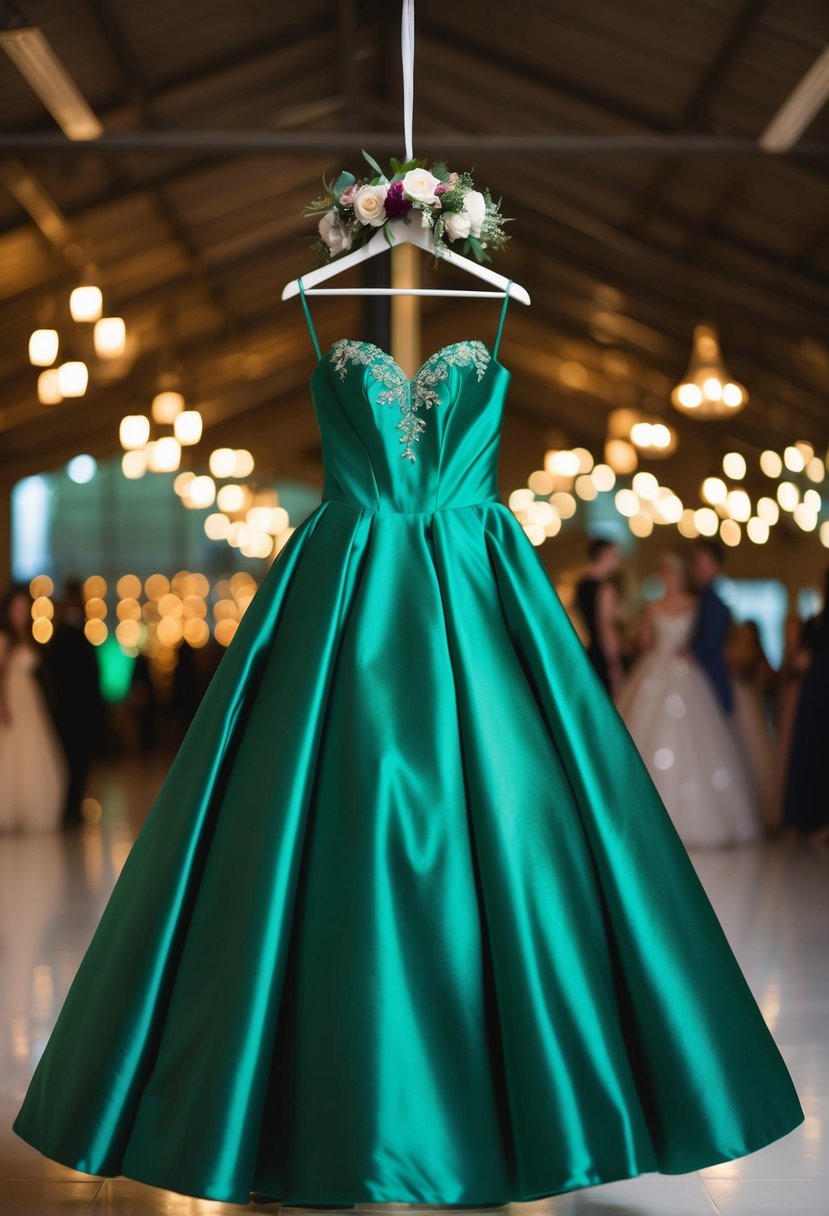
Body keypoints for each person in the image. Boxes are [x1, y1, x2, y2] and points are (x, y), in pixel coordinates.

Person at [14, 282, 802, 1206]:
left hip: (451, 582)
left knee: (513, 831)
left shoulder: (489, 312)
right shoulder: (328, 310)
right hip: (360, 593)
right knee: (331, 835)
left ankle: (497, 1107)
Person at [617, 552, 760, 849]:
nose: (669, 578)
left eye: (673, 573)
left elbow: (708, 637)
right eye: (665, 573)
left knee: (695, 740)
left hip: (686, 673)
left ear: (680, 576)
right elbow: (643, 642)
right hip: (656, 669)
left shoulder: (696, 604)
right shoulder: (653, 607)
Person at [0, 583, 68, 833]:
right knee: (13, 753)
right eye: (16, 609)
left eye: (23, 609)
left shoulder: (27, 637)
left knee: (31, 752)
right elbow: (2, 675)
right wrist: (4, 706)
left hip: (30, 700)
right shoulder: (5, 638)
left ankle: (29, 809)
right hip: (14, 699)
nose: (19, 614)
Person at [43, 577, 104, 828]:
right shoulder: (76, 638)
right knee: (77, 762)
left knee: (71, 761)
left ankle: (70, 808)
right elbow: (90, 679)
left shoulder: (59, 639)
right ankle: (71, 808)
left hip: (67, 712)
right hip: (77, 712)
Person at [783, 568, 829, 844]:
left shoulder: (815, 625)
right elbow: (795, 664)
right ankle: (809, 817)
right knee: (813, 752)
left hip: (816, 693)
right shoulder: (814, 624)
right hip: (815, 695)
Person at [575, 537, 624, 695]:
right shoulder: (605, 589)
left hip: (588, 651)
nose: (618, 559)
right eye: (614, 554)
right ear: (604, 554)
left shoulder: (581, 585)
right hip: (604, 654)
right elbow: (605, 626)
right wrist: (614, 663)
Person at [689, 539, 734, 714]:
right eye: (696, 562)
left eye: (702, 562)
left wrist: (691, 652)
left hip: (709, 673)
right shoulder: (698, 597)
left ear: (716, 566)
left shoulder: (714, 602)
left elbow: (713, 638)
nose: (697, 568)